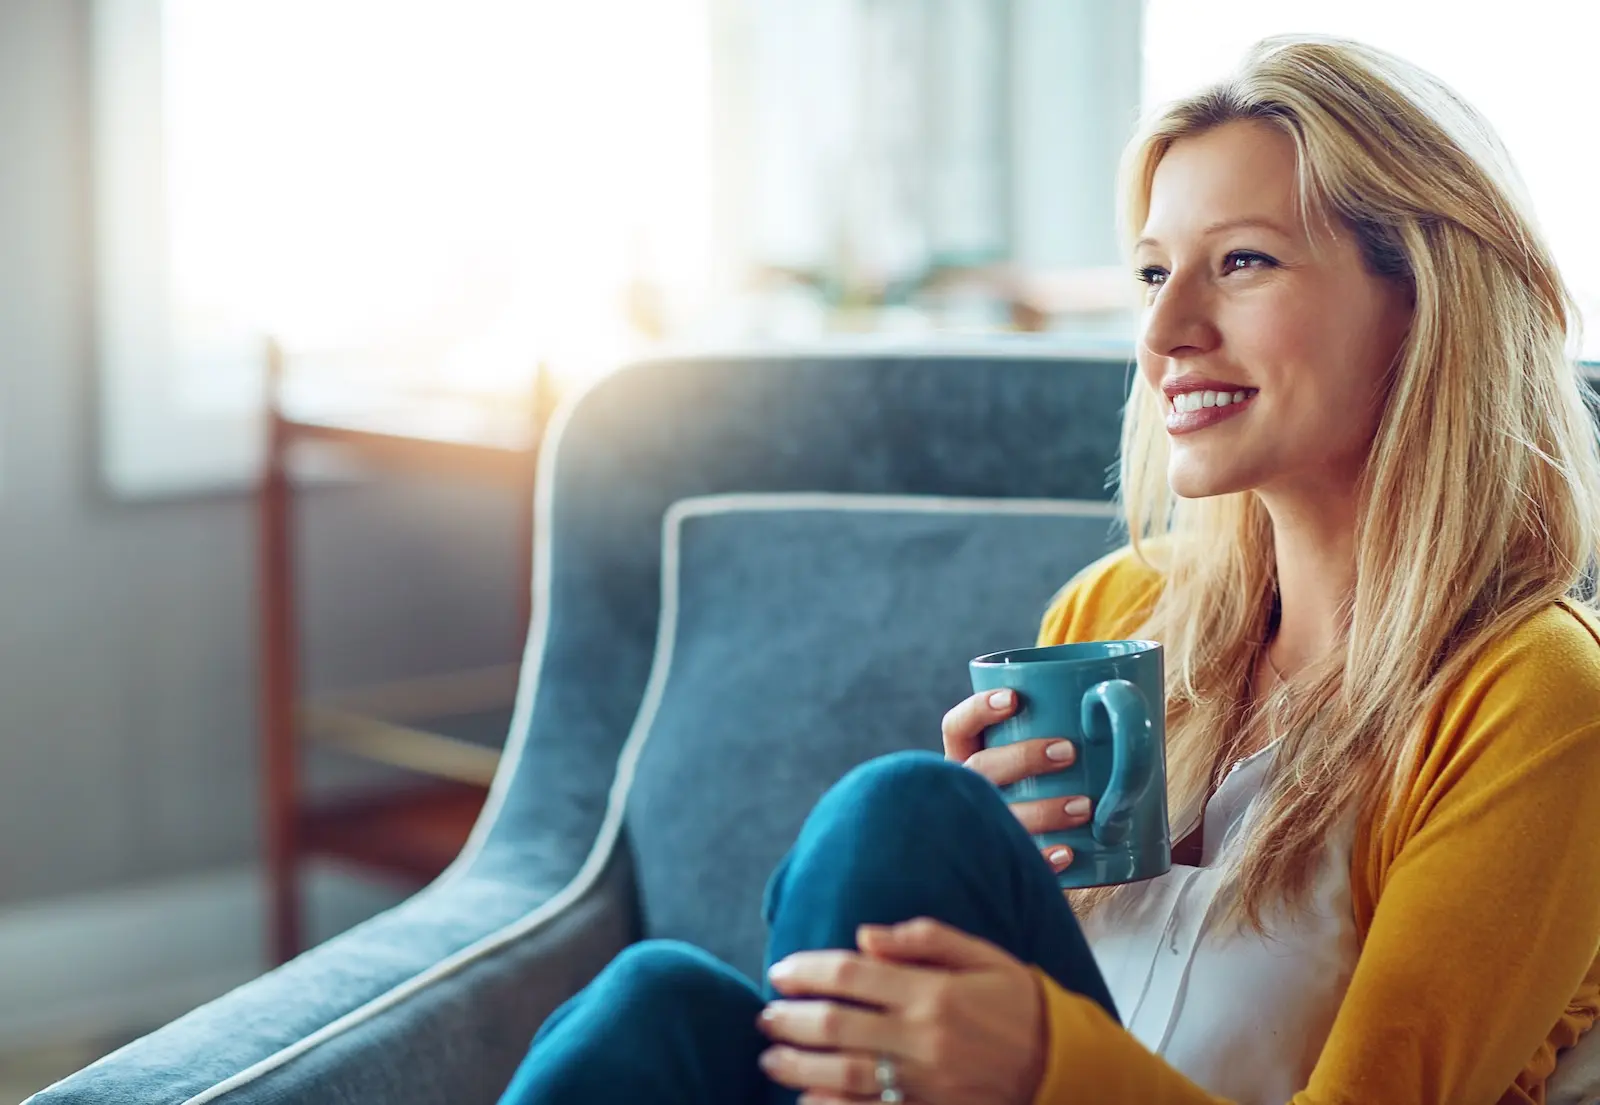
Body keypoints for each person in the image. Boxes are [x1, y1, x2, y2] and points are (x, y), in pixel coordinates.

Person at [496, 34, 1600, 1105]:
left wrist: (1039, 1061)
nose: (1165, 328)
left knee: (897, 817)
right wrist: (993, 872)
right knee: (659, 999)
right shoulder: (1119, 611)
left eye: (1242, 262)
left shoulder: (1538, 701)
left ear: (1425, 297)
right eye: (1154, 272)